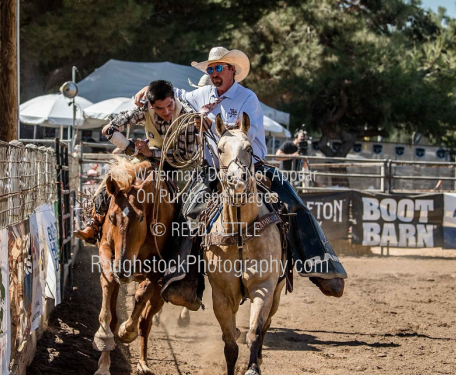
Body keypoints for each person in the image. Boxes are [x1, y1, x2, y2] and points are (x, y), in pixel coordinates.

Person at [135, 47, 347, 309]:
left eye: (218, 68)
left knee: (293, 204)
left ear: (231, 70)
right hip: (213, 171)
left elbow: (246, 135)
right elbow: (173, 93)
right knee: (187, 212)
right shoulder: (201, 94)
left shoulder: (248, 98)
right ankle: (185, 279)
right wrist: (148, 88)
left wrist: (211, 124)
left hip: (251, 168)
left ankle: (321, 266)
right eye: (210, 69)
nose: (213, 73)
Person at [73, 79, 199, 243]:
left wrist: (151, 153)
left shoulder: (187, 116)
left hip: (181, 166)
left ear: (174, 99)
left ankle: (190, 239)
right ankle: (94, 223)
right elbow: (109, 130)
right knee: (114, 178)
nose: (167, 111)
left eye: (170, 105)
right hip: (150, 160)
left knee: (191, 199)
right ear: (151, 106)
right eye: (160, 108)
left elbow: (185, 154)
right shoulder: (144, 110)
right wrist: (131, 148)